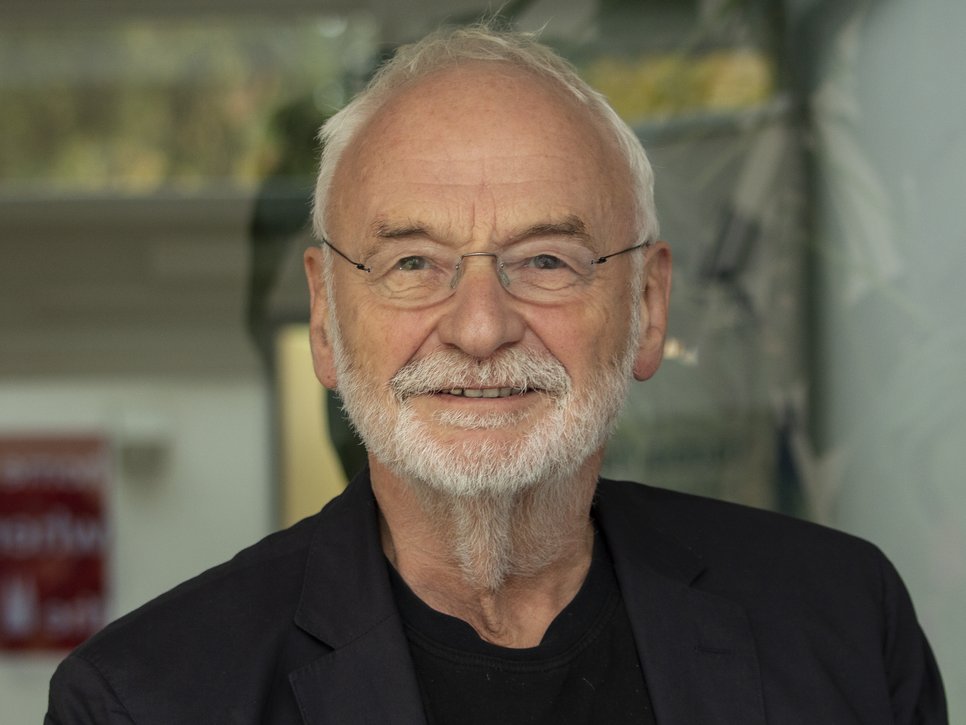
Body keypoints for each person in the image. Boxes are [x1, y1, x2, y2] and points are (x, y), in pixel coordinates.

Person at [46, 24, 946, 724]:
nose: (480, 328)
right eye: (412, 264)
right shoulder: (146, 699)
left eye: (549, 260)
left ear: (648, 306)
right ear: (326, 316)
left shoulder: (840, 624)